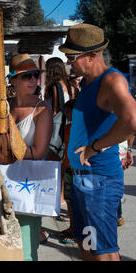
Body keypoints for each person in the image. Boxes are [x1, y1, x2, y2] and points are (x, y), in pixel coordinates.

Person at [59, 23, 136, 261]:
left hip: (99, 181)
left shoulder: (111, 80)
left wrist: (95, 147)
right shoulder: (86, 82)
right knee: (85, 242)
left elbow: (134, 121)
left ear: (92, 56)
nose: (68, 62)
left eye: (72, 57)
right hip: (82, 179)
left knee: (103, 252)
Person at [6, 53, 53, 261]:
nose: (34, 80)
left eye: (35, 75)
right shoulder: (3, 105)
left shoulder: (42, 108)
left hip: (26, 182)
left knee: (25, 244)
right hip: (1, 182)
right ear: (13, 80)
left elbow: (39, 151)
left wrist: (5, 149)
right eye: (27, 76)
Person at [44, 58, 72, 209]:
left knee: (54, 161)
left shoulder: (55, 86)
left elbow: (55, 109)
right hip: (66, 126)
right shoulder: (67, 84)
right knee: (62, 162)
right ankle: (61, 196)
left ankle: (58, 196)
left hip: (56, 126)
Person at [59, 99, 76, 244]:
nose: (66, 115)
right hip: (69, 169)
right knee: (69, 200)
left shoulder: (84, 129)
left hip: (80, 171)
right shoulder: (66, 129)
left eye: (68, 112)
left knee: (78, 203)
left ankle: (76, 231)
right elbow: (65, 150)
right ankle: (72, 228)